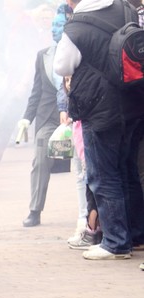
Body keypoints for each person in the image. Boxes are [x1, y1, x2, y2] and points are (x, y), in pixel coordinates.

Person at [55, 0, 142, 260]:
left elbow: (62, 66)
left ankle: (115, 243)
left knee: (104, 177)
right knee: (128, 173)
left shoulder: (77, 26)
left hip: (100, 107)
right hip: (134, 101)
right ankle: (136, 237)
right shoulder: (126, 9)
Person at [18, 9, 70, 228]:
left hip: (77, 116)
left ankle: (91, 218)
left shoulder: (79, 50)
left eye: (58, 25)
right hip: (48, 118)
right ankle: (35, 210)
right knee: (40, 160)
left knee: (85, 169)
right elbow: (36, 91)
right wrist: (26, 119)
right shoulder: (43, 55)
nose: (53, 29)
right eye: (52, 25)